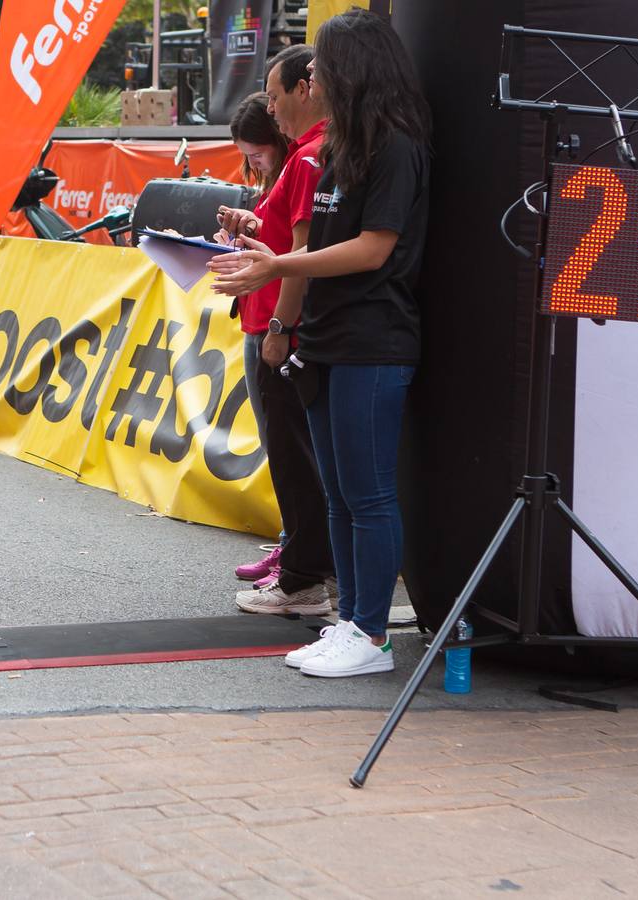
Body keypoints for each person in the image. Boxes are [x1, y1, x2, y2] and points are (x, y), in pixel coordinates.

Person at [209, 10, 431, 678]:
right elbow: (313, 247)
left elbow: (371, 249)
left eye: (322, 66)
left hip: (373, 340)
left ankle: (371, 634)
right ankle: (350, 622)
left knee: (367, 496)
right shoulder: (339, 149)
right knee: (336, 495)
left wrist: (277, 269)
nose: (314, 77)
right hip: (326, 339)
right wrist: (272, 261)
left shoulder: (395, 145)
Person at [215, 88, 340, 618]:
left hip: (284, 323)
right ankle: (304, 561)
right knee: (291, 452)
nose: (273, 106)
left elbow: (301, 253)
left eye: (277, 94)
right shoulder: (311, 155)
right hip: (273, 318)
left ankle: (307, 574)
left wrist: (281, 326)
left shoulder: (313, 157)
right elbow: (291, 242)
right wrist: (249, 229)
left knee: (297, 454)